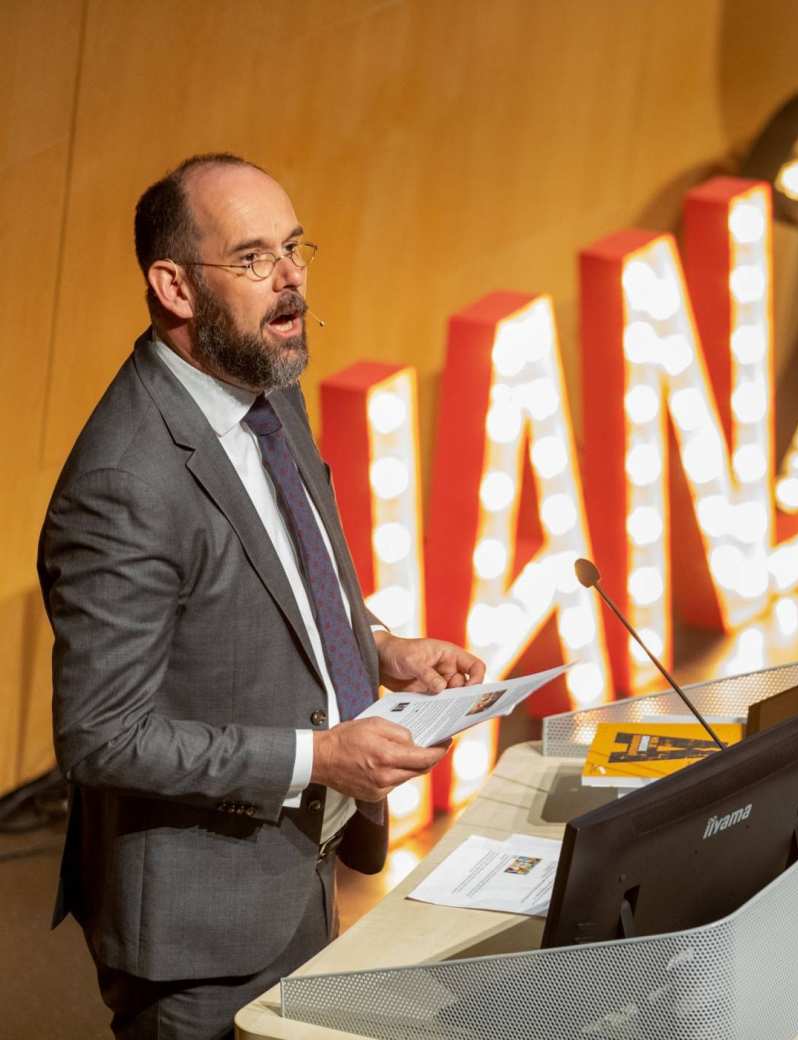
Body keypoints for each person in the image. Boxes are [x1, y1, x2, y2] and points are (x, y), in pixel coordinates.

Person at [37, 153, 486, 1039]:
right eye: (251, 259)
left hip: (297, 881)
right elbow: (101, 734)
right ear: (172, 285)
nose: (289, 281)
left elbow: (278, 576)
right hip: (196, 936)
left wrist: (377, 646)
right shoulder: (127, 479)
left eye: (293, 247)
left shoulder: (266, 389)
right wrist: (319, 760)